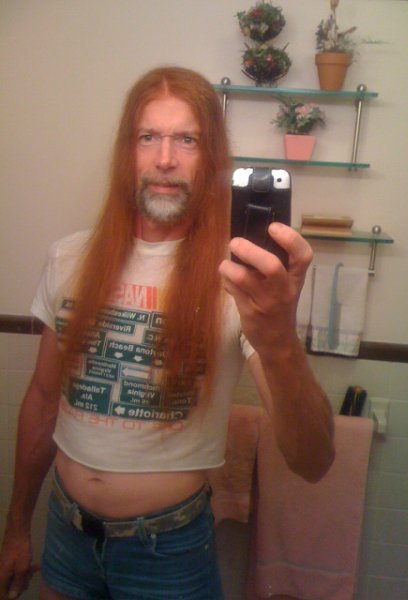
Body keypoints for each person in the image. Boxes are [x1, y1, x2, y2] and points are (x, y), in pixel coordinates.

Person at [0, 66, 335, 600]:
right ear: (126, 152)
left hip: (169, 555)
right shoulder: (69, 259)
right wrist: (17, 524)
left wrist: (277, 339)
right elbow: (42, 401)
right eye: (148, 137)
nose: (164, 159)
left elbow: (313, 461)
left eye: (187, 140)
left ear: (212, 159)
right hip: (65, 535)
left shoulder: (238, 277)